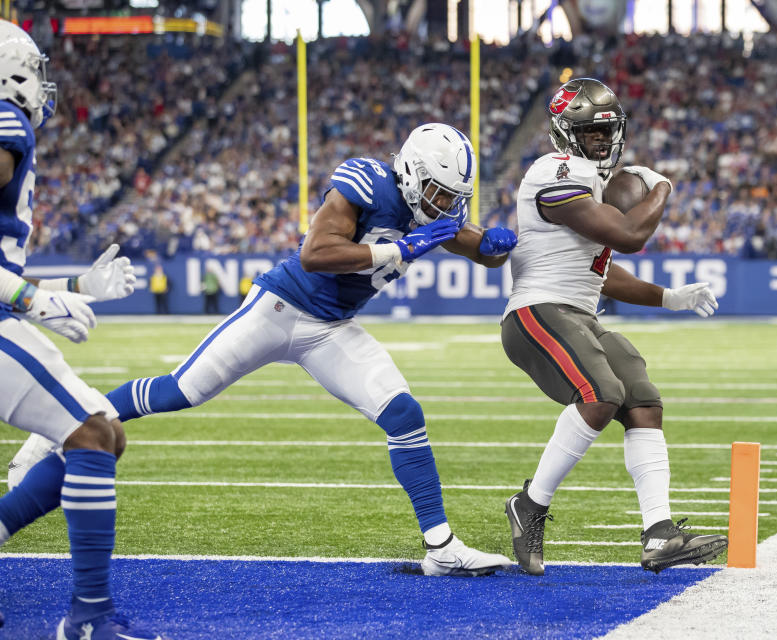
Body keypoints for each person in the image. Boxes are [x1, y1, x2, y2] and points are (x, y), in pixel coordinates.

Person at [14, 123, 518, 577]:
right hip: (279, 307)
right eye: (435, 190)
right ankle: (72, 420)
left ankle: (441, 547)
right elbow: (316, 254)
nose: (441, 203)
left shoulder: (430, 207)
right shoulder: (368, 182)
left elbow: (471, 243)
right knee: (180, 390)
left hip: (332, 328)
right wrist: (400, 248)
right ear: (409, 171)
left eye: (451, 195)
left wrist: (493, 247)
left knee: (404, 413)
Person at [501, 78, 728, 576]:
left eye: (608, 131)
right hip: (535, 313)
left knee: (642, 399)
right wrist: (663, 188)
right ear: (566, 133)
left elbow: (601, 272)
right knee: (600, 392)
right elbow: (627, 237)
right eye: (591, 132)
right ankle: (530, 506)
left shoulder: (592, 181)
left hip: (577, 314)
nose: (602, 141)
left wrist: (668, 298)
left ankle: (659, 534)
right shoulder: (553, 172)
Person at [0, 21, 161, 640]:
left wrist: (70, 291)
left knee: (104, 433)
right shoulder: (8, 123)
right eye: (32, 70)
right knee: (93, 435)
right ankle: (89, 617)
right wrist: (29, 296)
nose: (42, 84)